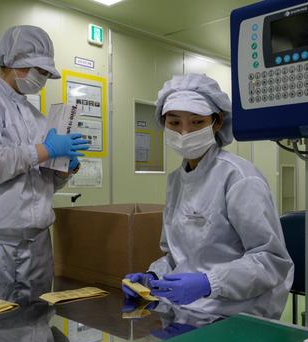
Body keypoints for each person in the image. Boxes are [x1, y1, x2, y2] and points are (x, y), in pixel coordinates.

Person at [122, 73, 294, 320]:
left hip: (236, 316)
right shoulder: (177, 180)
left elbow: (270, 260)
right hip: (186, 312)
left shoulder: (239, 178)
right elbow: (175, 255)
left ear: (217, 122)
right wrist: (153, 277)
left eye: (196, 122)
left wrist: (209, 283)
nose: (184, 132)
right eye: (174, 123)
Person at [0, 25, 89, 304]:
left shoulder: (35, 116)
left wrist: (65, 167)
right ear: (12, 62)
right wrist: (45, 149)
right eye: (38, 70)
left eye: (46, 73)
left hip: (36, 244)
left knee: (35, 325)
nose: (42, 78)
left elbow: (41, 183)